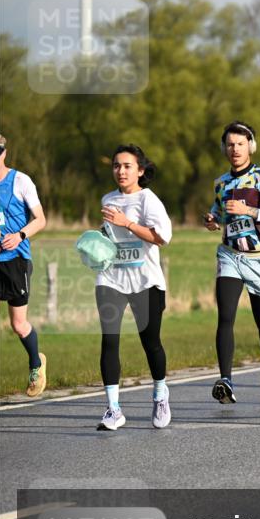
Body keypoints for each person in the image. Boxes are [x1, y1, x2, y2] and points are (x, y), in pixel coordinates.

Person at [205, 121, 260, 405]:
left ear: (250, 146)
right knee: (225, 315)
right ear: (224, 148)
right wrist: (212, 220)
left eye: (240, 144)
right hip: (230, 255)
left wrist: (249, 210)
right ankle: (225, 380)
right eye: (230, 144)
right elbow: (217, 211)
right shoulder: (221, 183)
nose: (235, 149)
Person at [94, 145, 173, 430]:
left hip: (145, 280)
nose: (121, 171)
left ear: (140, 170)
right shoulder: (107, 199)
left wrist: (127, 223)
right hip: (111, 278)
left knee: (150, 342)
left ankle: (160, 393)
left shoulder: (148, 200)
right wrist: (95, 247)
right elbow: (109, 239)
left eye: (127, 166)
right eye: (116, 165)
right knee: (109, 339)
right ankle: (113, 409)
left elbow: (162, 237)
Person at [0, 134, 48, 397]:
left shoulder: (20, 181)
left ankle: (36, 364)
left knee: (18, 324)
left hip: (16, 260)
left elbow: (40, 220)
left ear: (3, 153)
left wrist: (19, 236)